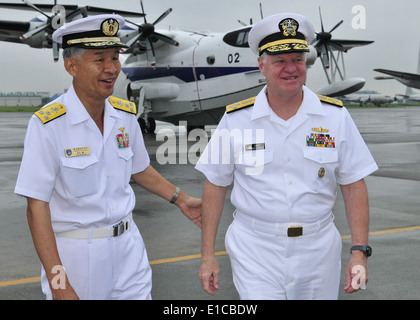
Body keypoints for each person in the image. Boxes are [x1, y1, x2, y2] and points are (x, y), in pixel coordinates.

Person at [14, 14, 201, 300]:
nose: (111, 68)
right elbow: (36, 207)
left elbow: (139, 169)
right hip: (78, 257)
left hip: (128, 249)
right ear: (71, 65)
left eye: (115, 58)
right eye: (99, 59)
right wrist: (58, 283)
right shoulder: (48, 125)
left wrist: (181, 198)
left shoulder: (125, 115)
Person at [196, 13, 378, 300]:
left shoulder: (335, 117)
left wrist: (359, 253)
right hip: (255, 249)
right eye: (280, 61)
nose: (290, 69)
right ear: (262, 65)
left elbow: (354, 184)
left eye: (297, 60)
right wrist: (207, 255)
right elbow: (215, 185)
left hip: (318, 251)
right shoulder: (236, 120)